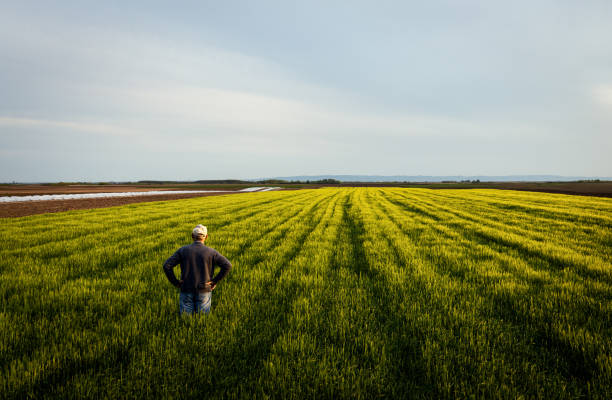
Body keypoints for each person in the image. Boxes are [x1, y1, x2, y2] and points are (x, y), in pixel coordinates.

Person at [163, 224, 232, 314]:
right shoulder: (211, 252)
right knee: (202, 320)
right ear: (206, 237)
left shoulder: (183, 250)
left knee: (185, 320)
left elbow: (167, 266)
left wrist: (176, 282)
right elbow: (228, 265)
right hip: (204, 288)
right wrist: (214, 281)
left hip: (186, 288)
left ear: (192, 236)